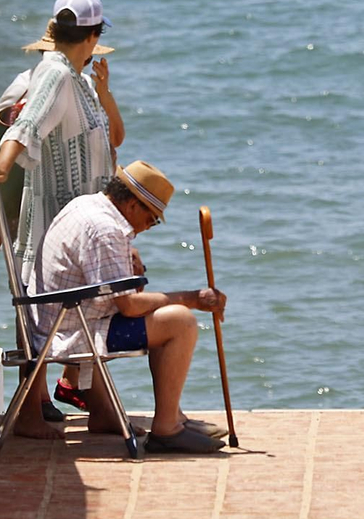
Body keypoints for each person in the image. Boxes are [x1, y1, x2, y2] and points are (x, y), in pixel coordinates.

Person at [14, 160, 227, 455]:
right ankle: (167, 429)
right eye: (151, 219)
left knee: (165, 313)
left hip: (54, 317)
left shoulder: (86, 205)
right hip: (68, 332)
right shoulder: (106, 230)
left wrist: (132, 265)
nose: (145, 229)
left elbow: (116, 289)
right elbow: (128, 305)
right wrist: (191, 298)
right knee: (180, 321)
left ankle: (151, 416)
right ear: (132, 205)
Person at [0, 0, 126, 414]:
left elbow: (111, 139)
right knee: (50, 309)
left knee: (79, 305)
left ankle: (78, 400)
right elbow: (20, 127)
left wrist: (105, 91)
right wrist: (2, 169)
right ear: (93, 37)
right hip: (57, 217)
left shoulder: (79, 81)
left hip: (84, 219)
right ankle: (31, 409)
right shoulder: (53, 75)